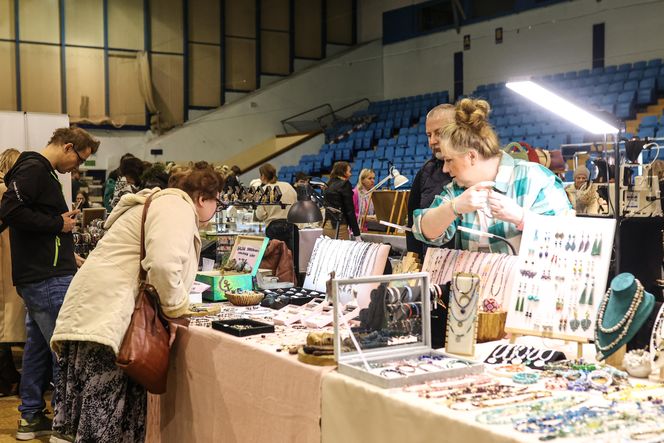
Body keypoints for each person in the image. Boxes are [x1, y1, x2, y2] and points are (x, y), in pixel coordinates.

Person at [50, 163, 224, 442]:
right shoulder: (176, 207)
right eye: (217, 202)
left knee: (104, 422)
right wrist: (177, 308)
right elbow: (164, 266)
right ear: (203, 198)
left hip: (97, 315)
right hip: (108, 320)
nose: (216, 210)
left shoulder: (162, 203)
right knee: (104, 425)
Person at [0, 127, 99, 440]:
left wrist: (68, 252)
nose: (77, 168)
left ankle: (31, 418)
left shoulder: (40, 172)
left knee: (39, 349)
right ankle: (64, 425)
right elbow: (11, 210)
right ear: (67, 147)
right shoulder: (33, 169)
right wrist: (59, 223)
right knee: (64, 351)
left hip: (47, 273)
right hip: (46, 278)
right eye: (78, 159)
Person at [412, 98, 571, 254]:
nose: (445, 169)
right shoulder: (457, 189)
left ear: (471, 156)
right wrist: (454, 207)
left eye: (449, 160)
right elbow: (423, 230)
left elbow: (569, 239)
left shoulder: (536, 179)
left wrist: (521, 217)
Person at [406, 104, 455, 257]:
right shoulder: (425, 172)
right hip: (433, 266)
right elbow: (412, 223)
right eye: (429, 135)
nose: (432, 141)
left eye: (439, 133)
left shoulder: (475, 172)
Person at [0, 148, 24, 397]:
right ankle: (7, 379)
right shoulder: (4, 191)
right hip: (6, 264)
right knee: (5, 324)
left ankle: (8, 378)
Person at [323, 161, 361, 240]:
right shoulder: (345, 184)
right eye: (349, 171)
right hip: (339, 227)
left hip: (326, 225)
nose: (350, 174)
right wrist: (356, 233)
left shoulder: (328, 184)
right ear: (343, 172)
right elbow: (349, 210)